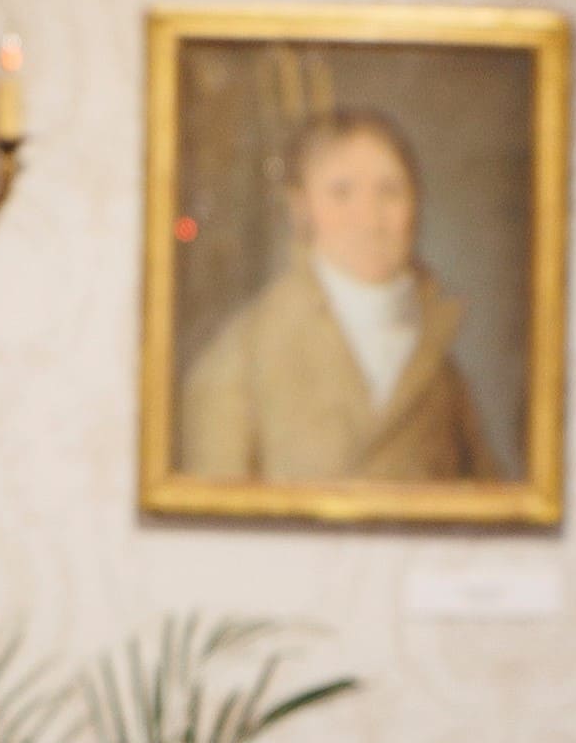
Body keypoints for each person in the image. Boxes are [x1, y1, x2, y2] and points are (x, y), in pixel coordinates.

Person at [176, 105, 498, 483]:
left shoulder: (440, 370)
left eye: (390, 191)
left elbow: (490, 501)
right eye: (341, 193)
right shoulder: (240, 360)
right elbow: (212, 511)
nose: (370, 219)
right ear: (301, 209)